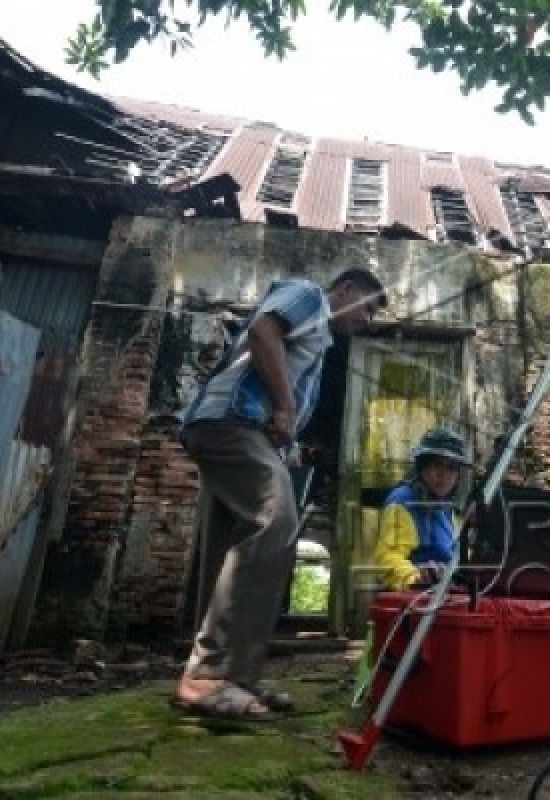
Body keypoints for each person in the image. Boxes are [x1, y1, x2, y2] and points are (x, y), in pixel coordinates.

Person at [174, 267, 386, 722]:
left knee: (231, 542)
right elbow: (263, 330)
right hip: (231, 421)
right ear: (345, 290)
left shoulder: (322, 342)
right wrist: (286, 407)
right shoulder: (309, 296)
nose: (367, 320)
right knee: (277, 519)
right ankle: (211, 675)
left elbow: (279, 406)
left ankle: (232, 675)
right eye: (367, 307)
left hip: (236, 429)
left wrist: (292, 451)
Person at [374, 428, 471, 590]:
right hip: (413, 602)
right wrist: (416, 577)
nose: (444, 474)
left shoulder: (446, 508)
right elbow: (388, 558)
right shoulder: (402, 502)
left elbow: (455, 555)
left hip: (446, 595)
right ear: (422, 467)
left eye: (451, 468)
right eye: (437, 465)